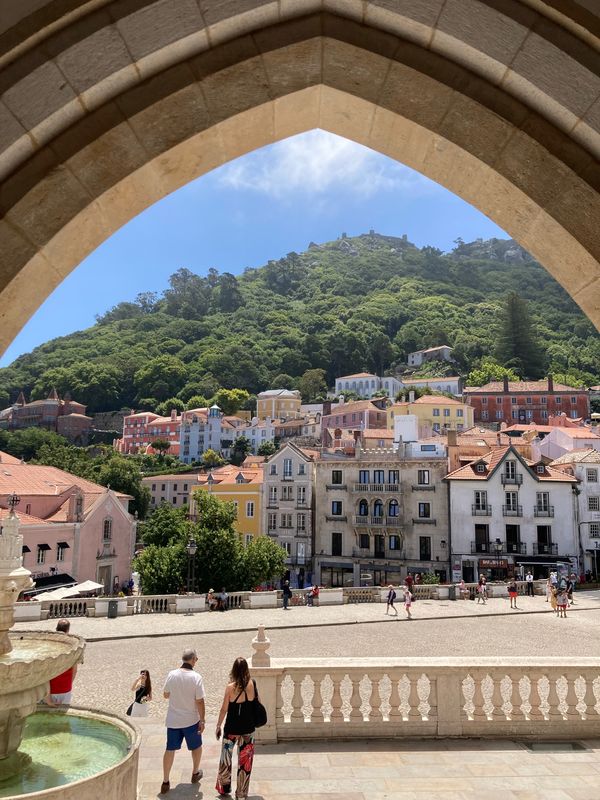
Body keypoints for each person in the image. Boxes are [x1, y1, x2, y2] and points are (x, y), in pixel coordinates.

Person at [160, 648, 206, 795]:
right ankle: (195, 772)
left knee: (170, 749)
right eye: (196, 659)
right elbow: (200, 701)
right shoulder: (196, 677)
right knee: (196, 747)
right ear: (193, 660)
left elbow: (166, 695)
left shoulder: (172, 675)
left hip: (173, 720)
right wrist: (203, 719)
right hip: (191, 720)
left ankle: (165, 781)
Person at [215, 657, 257, 800]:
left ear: (233, 670)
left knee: (225, 759)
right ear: (246, 669)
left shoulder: (230, 688)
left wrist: (218, 725)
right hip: (248, 729)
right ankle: (241, 794)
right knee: (245, 762)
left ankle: (224, 787)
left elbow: (223, 709)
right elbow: (257, 704)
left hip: (231, 729)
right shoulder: (252, 684)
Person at [44, 619, 79, 706]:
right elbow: (74, 671)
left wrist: (47, 698)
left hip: (51, 689)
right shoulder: (72, 646)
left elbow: (45, 674)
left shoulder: (50, 646)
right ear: (68, 630)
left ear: (56, 629)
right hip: (65, 689)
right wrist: (68, 685)